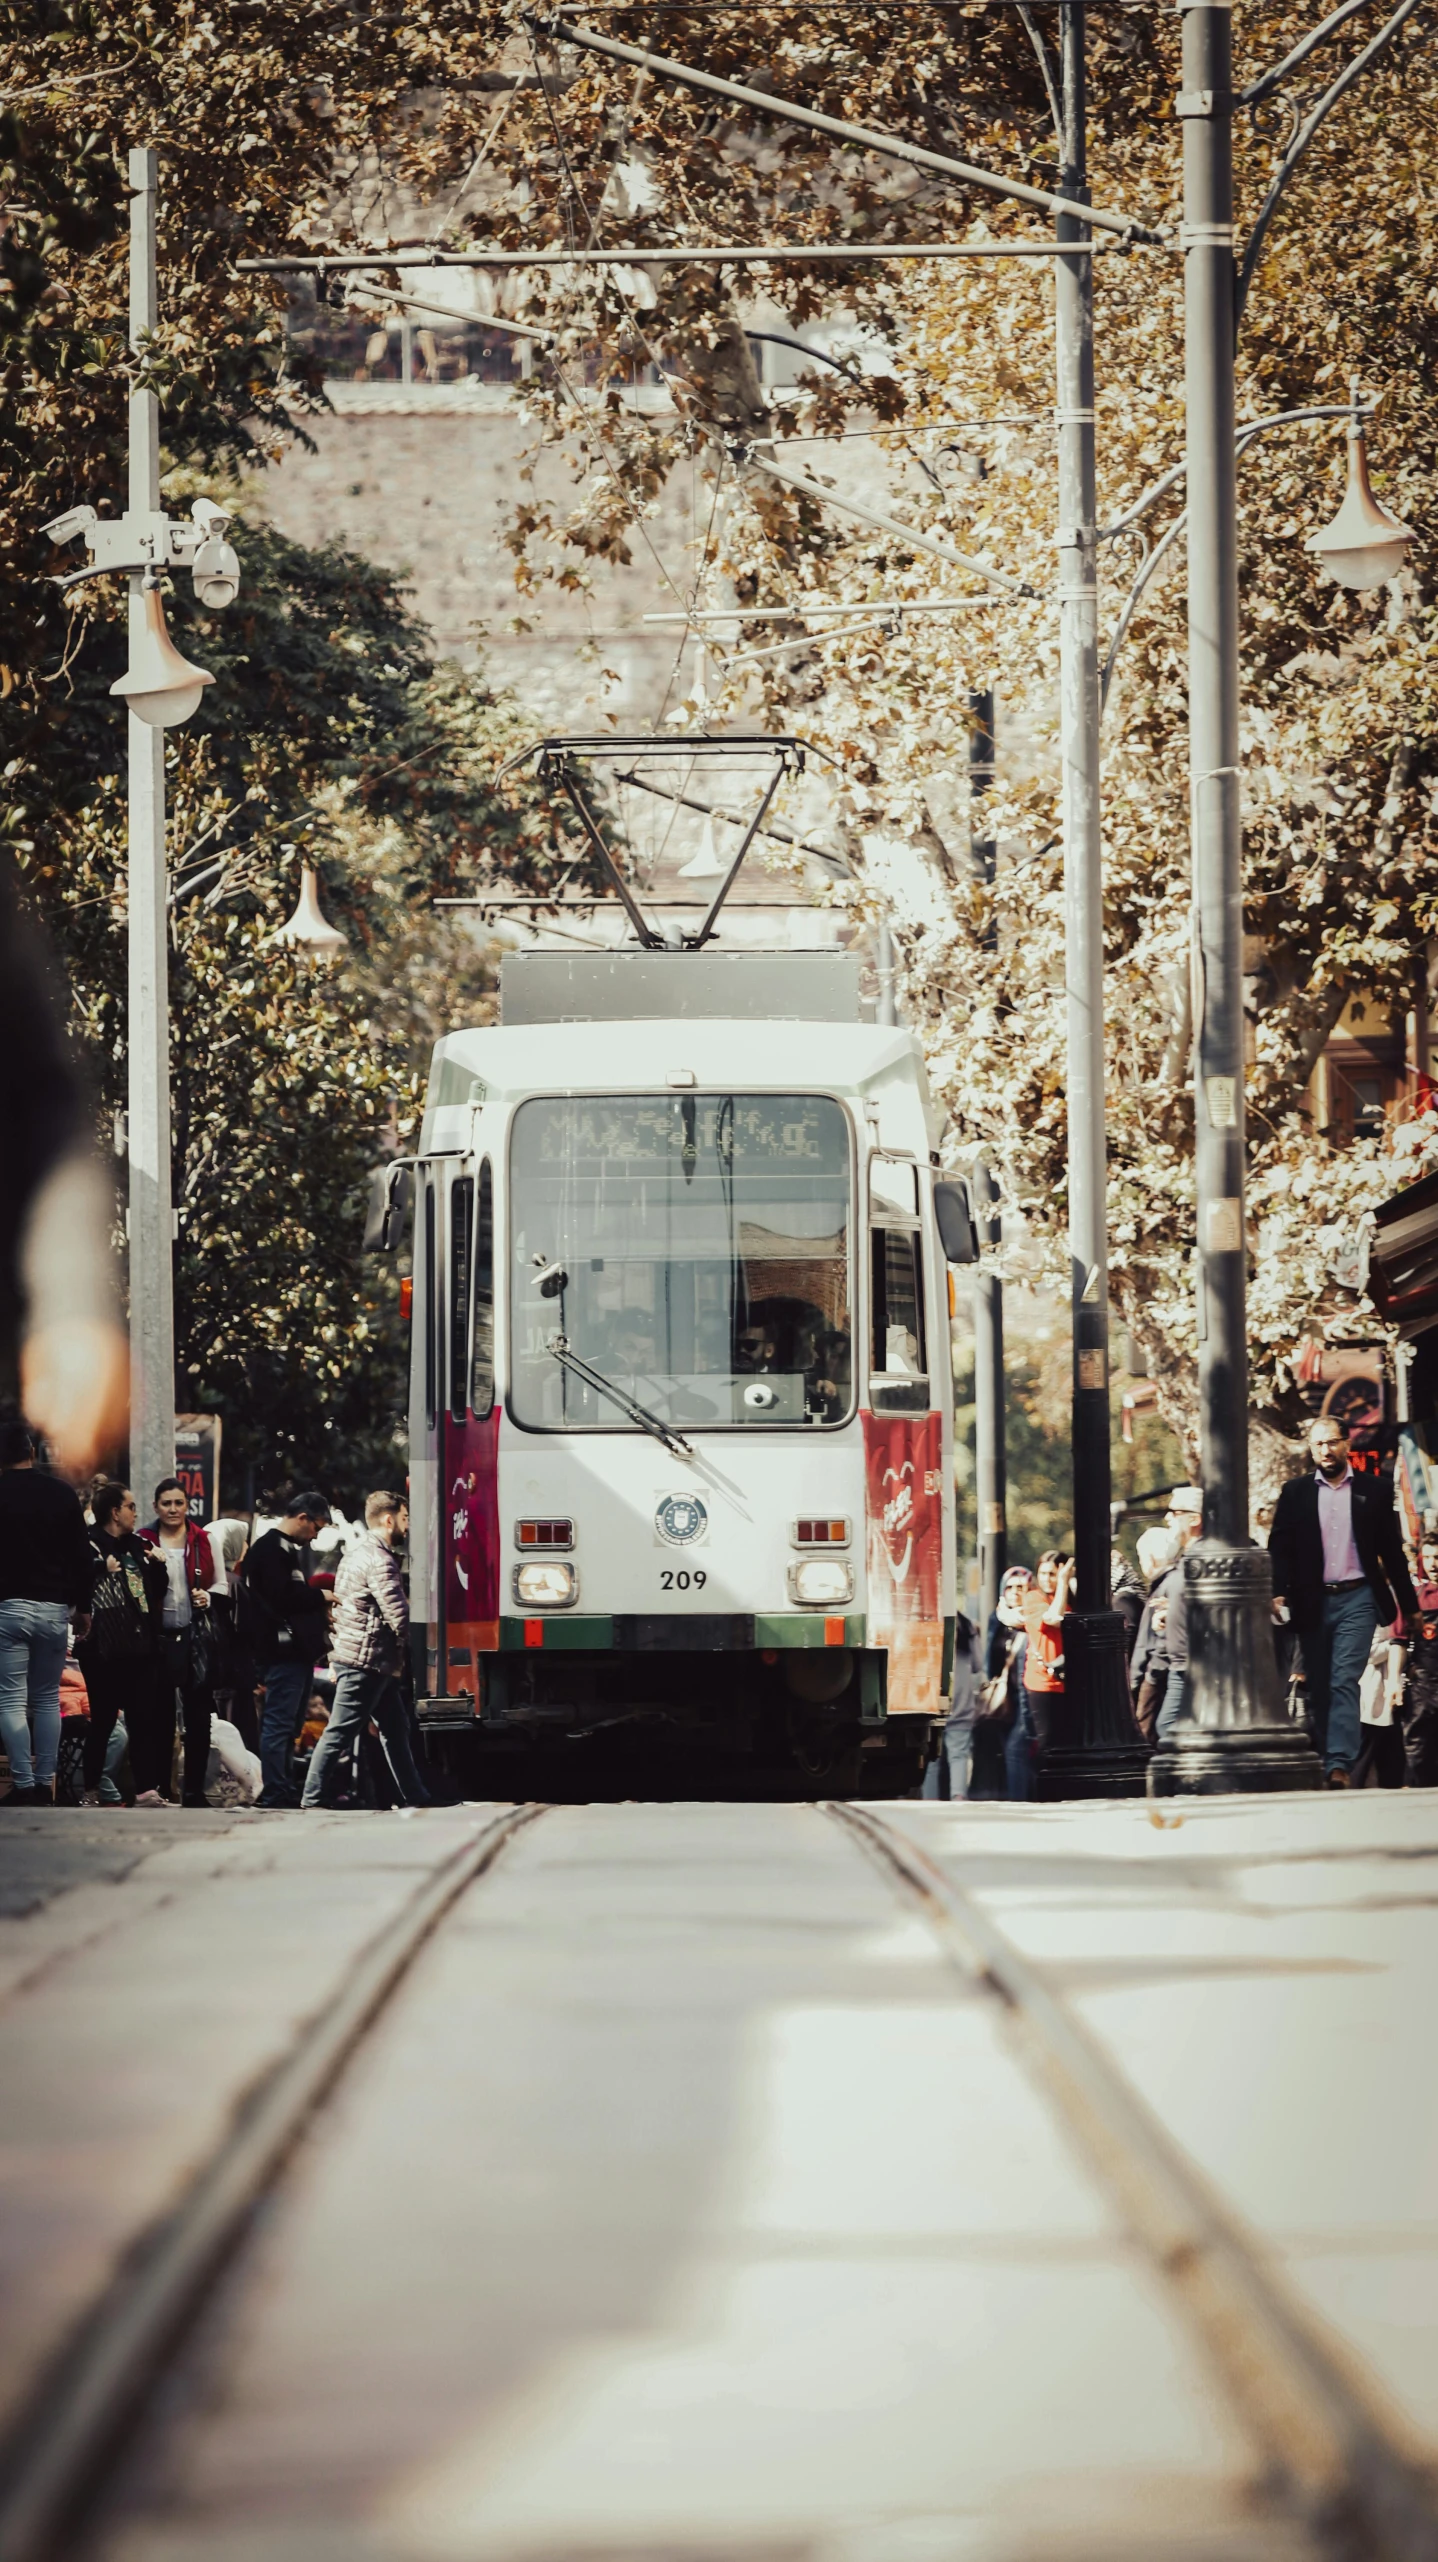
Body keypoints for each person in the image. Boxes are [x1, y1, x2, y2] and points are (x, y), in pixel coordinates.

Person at [1269, 1417, 1417, 1786]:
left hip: (1359, 1597)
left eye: (1332, 1442)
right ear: (1311, 1449)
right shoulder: (1295, 1492)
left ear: (1346, 1445)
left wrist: (1409, 1606)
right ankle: (1324, 1755)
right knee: (1319, 1682)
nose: (1325, 1451)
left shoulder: (1375, 1491)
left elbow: (1393, 1553)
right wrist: (1276, 1590)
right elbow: (1280, 1548)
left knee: (1343, 1680)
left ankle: (1338, 1764)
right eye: (1318, 1445)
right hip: (1312, 1600)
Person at [302, 1490, 429, 1809]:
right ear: (389, 1519)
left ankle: (417, 1796)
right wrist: (425, 1647)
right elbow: (397, 1613)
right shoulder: (379, 1560)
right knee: (340, 1731)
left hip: (369, 1657)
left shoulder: (357, 1554)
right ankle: (312, 1797)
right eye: (405, 1518)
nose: (407, 1526)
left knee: (395, 1730)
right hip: (366, 1661)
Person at [0, 1420, 95, 1804]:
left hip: (9, 1610)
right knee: (45, 1699)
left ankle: (21, 1785)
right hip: (55, 1610)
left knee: (10, 1700)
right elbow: (81, 1557)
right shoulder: (61, 1493)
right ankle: (46, 1783)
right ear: (32, 1452)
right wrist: (83, 1607)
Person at [77, 1482, 167, 1806]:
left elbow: (154, 1592)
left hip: (140, 1648)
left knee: (143, 1719)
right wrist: (102, 1568)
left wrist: (159, 1565)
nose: (135, 1512)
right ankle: (90, 1791)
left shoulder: (137, 1545)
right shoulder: (87, 1544)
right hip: (102, 1650)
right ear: (115, 1512)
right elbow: (77, 1582)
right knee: (102, 1720)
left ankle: (147, 1790)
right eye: (130, 1506)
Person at [241, 1492, 332, 1806]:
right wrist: (322, 1597)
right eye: (316, 1527)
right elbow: (284, 1599)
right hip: (282, 1652)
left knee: (289, 1724)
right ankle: (276, 1791)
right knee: (279, 1724)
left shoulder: (283, 1550)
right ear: (303, 1518)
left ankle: (282, 1787)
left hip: (294, 1653)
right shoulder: (272, 1549)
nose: (316, 1535)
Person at [142, 1477, 217, 1807]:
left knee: (199, 1717)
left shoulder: (203, 1540)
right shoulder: (143, 1540)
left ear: (187, 1506)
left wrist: (209, 1596)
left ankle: (194, 1791)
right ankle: (159, 1788)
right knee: (159, 1716)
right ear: (156, 1507)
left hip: (194, 1637)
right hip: (156, 1639)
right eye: (166, 1503)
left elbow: (222, 1585)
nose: (173, 1509)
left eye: (178, 1503)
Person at [1012, 1550, 1071, 1797]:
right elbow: (1053, 1618)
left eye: (1053, 1574)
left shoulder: (1070, 1598)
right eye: (1043, 1573)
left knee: (1064, 1741)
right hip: (1042, 1681)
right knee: (1045, 1742)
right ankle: (1046, 1794)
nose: (1047, 1579)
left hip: (1067, 1680)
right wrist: (1065, 1583)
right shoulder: (1034, 1598)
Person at [1150, 1487, 1206, 1740]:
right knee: (1168, 1728)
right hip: (1181, 1664)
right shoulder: (1188, 1557)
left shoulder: (1205, 1557)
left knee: (1170, 1729)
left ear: (1195, 1519)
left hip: (1198, 1665)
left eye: (1174, 1512)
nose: (1168, 1519)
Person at [922, 1609, 978, 1800]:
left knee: (931, 1758)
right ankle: (958, 1797)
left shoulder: (928, 1621)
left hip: (933, 1700)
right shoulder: (967, 1624)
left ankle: (930, 1799)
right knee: (958, 1755)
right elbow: (978, 1664)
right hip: (962, 1701)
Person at [1401, 1534, 1438, 1786]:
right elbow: (1398, 1640)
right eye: (1428, 1557)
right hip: (1424, 1684)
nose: (1433, 1563)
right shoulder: (1416, 1597)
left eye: (1437, 1557)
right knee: (1419, 1744)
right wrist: (1395, 1680)